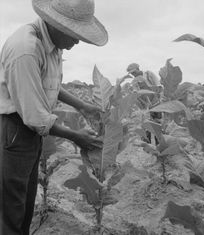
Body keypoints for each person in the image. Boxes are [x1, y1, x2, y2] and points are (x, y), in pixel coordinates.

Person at [0, 0, 108, 234]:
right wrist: (76, 136)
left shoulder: (52, 44)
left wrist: (82, 106)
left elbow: (48, 84)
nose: (77, 41)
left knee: (25, 203)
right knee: (11, 210)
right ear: (56, 25)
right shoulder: (26, 48)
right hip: (15, 132)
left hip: (29, 133)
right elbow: (35, 117)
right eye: (74, 34)